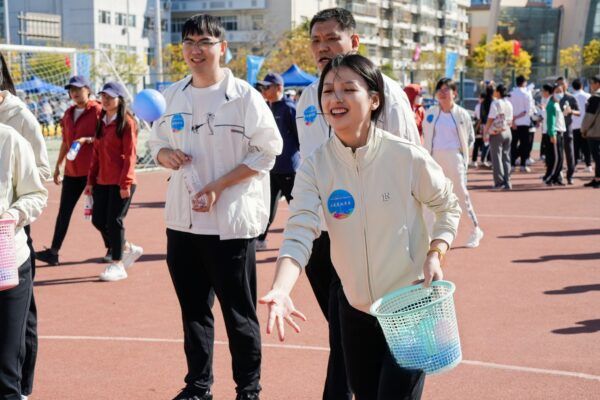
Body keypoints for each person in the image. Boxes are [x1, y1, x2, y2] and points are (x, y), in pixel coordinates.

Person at [260, 53, 461, 400]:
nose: (335, 99)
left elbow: (448, 206)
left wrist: (435, 251)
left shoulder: (405, 157)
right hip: (354, 311)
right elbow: (299, 232)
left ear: (374, 99)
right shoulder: (316, 167)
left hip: (408, 308)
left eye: (347, 89)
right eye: (328, 91)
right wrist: (281, 288)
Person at [148, 14, 282, 400]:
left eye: (204, 42)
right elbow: (155, 141)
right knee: (193, 313)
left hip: (230, 227)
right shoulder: (172, 95)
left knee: (239, 315)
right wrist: (164, 154)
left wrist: (219, 185)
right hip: (183, 224)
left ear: (222, 48)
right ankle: (198, 386)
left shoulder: (244, 97)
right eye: (189, 42)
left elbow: (269, 151)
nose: (195, 49)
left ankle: (248, 390)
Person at [294, 8, 420, 399]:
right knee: (345, 335)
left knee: (393, 341)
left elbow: (415, 170)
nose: (322, 48)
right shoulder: (304, 99)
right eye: (316, 40)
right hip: (326, 242)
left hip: (379, 241)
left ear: (354, 42)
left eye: (332, 38)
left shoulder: (389, 94)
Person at [0, 50, 50, 400]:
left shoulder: (15, 130)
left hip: (8, 245)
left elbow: (38, 183)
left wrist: (14, 214)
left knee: (12, 341)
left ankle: (20, 388)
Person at [36, 76, 109, 267]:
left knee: (98, 214)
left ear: (88, 89)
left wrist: (87, 140)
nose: (74, 93)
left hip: (93, 171)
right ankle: (54, 252)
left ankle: (113, 248)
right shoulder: (68, 114)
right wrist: (58, 166)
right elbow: (65, 142)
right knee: (64, 213)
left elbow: (106, 137)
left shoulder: (98, 111)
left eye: (78, 89)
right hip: (72, 172)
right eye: (71, 90)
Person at [84, 81, 143, 281]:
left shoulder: (127, 122)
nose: (106, 100)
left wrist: (125, 183)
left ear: (119, 99)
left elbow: (130, 155)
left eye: (110, 97)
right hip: (102, 180)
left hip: (121, 181)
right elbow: (96, 154)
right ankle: (127, 247)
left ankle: (118, 264)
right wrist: (91, 181)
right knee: (98, 219)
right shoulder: (101, 120)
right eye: (103, 96)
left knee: (114, 221)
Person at [423, 78, 483, 248]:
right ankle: (427, 237)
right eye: (439, 89)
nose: (442, 93)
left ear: (454, 93)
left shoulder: (462, 114)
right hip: (433, 160)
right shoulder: (431, 113)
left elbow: (470, 137)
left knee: (460, 196)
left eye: (446, 89)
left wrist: (463, 157)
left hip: (455, 158)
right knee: (430, 197)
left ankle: (475, 230)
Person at [256, 72, 300, 250]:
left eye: (267, 87)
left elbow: (299, 138)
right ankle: (260, 239)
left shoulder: (290, 108)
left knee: (298, 207)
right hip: (271, 168)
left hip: (289, 168)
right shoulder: (265, 108)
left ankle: (310, 239)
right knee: (267, 206)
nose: (264, 90)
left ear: (279, 88)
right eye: (263, 87)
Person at [483, 84, 514, 190]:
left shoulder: (495, 103)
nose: (494, 92)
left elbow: (491, 118)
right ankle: (508, 181)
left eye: (496, 91)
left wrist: (485, 131)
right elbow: (510, 119)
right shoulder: (509, 103)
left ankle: (499, 182)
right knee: (506, 157)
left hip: (497, 132)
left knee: (496, 158)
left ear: (498, 92)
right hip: (508, 131)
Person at [555, 77, 580, 184]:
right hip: (556, 128)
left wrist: (571, 111)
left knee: (570, 152)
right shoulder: (554, 98)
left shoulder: (571, 98)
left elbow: (579, 112)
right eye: (558, 84)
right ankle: (558, 175)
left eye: (562, 84)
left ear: (567, 85)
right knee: (557, 153)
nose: (560, 86)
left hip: (568, 128)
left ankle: (570, 175)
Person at [508, 75, 534, 172]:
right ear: (524, 83)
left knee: (513, 144)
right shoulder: (527, 94)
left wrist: (513, 119)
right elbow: (527, 110)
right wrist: (516, 118)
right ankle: (523, 165)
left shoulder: (511, 93)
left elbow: (509, 109)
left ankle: (512, 165)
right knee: (524, 144)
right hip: (524, 122)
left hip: (513, 123)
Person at [542, 84, 567, 186]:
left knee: (560, 158)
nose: (560, 93)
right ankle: (549, 178)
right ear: (552, 93)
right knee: (556, 158)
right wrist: (552, 134)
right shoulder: (551, 104)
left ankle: (556, 178)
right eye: (557, 91)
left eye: (561, 91)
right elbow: (550, 122)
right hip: (555, 133)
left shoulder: (558, 104)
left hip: (560, 133)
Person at [581, 75, 600, 188]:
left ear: (598, 83)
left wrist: (583, 129)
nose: (591, 85)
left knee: (597, 157)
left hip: (595, 132)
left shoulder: (595, 97)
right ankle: (597, 178)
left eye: (592, 83)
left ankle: (598, 179)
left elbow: (589, 117)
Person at [571, 78, 592, 172]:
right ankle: (588, 165)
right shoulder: (588, 96)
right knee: (586, 146)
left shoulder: (571, 96)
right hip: (586, 125)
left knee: (575, 147)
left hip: (574, 125)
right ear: (582, 86)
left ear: (573, 87)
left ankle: (574, 165)